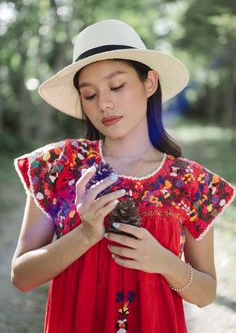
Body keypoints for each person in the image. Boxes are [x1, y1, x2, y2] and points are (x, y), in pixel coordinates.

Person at [12, 19, 235, 333]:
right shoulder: (59, 166)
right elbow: (21, 277)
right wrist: (85, 234)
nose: (104, 103)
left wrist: (163, 261)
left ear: (149, 83)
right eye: (89, 95)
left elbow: (206, 293)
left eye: (117, 86)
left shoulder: (191, 183)